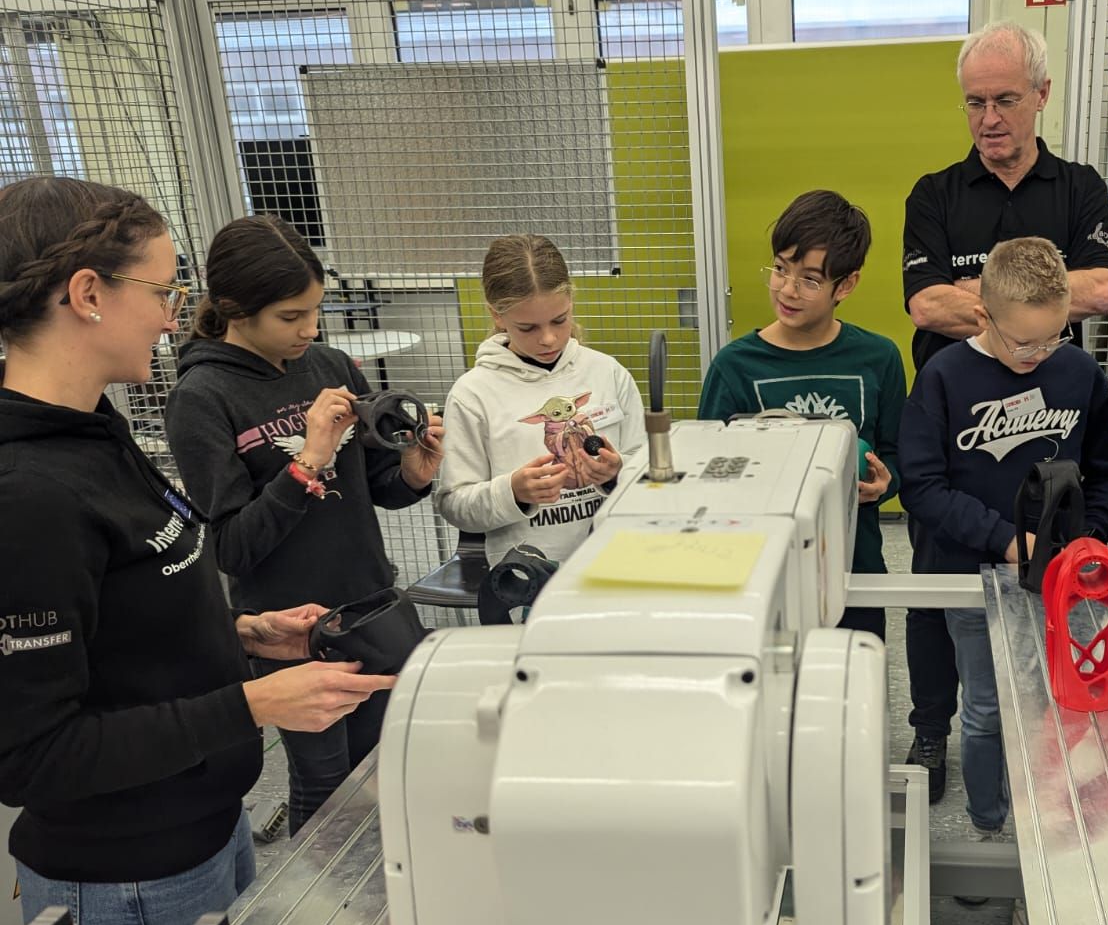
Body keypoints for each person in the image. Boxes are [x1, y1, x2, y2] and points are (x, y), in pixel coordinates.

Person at [0, 177, 394, 925]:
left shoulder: (95, 434)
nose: (176, 313)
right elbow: (34, 755)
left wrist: (245, 632)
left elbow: (128, 623)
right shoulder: (28, 493)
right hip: (130, 877)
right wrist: (250, 702)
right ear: (87, 294)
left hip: (204, 829)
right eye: (162, 287)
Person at [163, 215, 444, 835]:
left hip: (371, 604)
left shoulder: (331, 364)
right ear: (237, 308)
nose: (308, 329)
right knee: (325, 784)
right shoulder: (202, 397)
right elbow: (233, 546)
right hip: (290, 630)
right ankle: (324, 920)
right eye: (290, 316)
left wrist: (415, 474)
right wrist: (308, 458)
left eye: (315, 311)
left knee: (388, 763)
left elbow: (378, 489)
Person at [900, 21, 1108, 798]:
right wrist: (1006, 310)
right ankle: (930, 731)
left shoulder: (1079, 186)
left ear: (1041, 97)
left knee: (1043, 640)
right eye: (974, 103)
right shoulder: (935, 193)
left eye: (1004, 100)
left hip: (1049, 426)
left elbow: (1099, 290)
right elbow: (924, 307)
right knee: (938, 599)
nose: (989, 118)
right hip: (959, 429)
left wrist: (999, 307)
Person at [899, 237, 1108, 925]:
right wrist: (1008, 541)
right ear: (982, 317)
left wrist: (1086, 539)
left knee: (1061, 715)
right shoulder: (942, 377)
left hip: (1064, 584)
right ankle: (990, 834)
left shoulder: (1078, 372)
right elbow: (924, 485)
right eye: (1021, 341)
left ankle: (1046, 843)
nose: (1039, 356)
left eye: (1053, 336)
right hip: (974, 577)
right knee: (985, 710)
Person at [697, 190, 903, 639]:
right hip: (762, 575)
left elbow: (897, 453)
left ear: (845, 285)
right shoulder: (734, 366)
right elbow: (708, 477)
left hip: (854, 569)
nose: (787, 289)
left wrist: (888, 483)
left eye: (810, 279)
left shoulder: (878, 358)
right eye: (780, 269)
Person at [436, 234, 645, 568]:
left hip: (616, 564)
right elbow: (455, 504)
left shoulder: (608, 372)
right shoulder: (473, 394)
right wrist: (512, 492)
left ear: (571, 302)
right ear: (497, 316)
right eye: (528, 327)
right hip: (527, 576)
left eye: (559, 320)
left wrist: (617, 470)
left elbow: (648, 468)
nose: (548, 338)